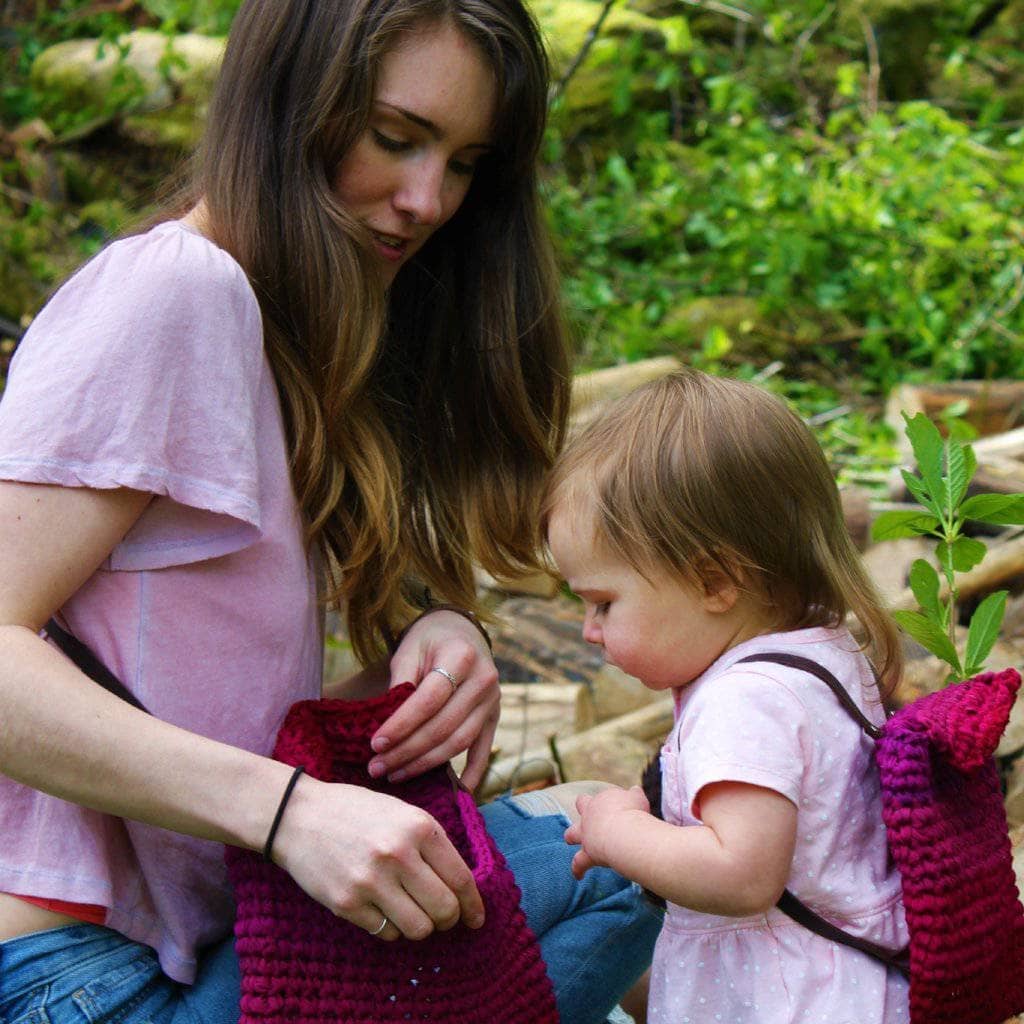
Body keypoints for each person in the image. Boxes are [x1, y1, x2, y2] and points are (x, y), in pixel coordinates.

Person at [0, 1, 659, 1021]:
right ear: (288, 101)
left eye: (465, 162)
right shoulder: (173, 289)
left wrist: (423, 655)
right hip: (70, 980)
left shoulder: (292, 335)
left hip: (187, 948)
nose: (427, 199)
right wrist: (290, 812)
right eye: (395, 139)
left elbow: (192, 692)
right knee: (612, 847)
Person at [542, 368, 911, 1024]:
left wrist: (618, 831)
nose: (588, 631)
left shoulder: (747, 699)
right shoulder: (819, 652)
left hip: (791, 1003)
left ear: (714, 582)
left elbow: (740, 873)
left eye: (602, 603)